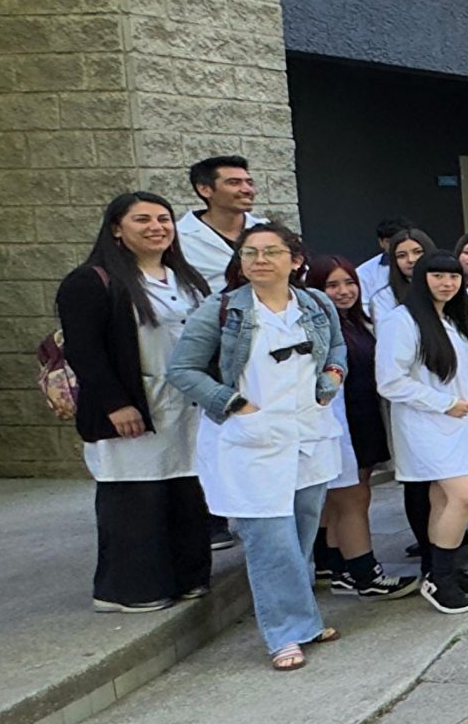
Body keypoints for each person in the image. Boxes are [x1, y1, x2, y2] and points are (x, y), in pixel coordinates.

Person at [164, 222, 346, 671]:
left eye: (271, 252)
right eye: (249, 253)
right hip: (250, 441)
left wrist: (333, 377)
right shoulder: (222, 311)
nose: (259, 260)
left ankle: (303, 620)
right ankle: (283, 633)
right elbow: (183, 370)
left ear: (295, 260)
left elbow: (337, 348)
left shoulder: (316, 303)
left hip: (308, 435)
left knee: (301, 537)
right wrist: (233, 403)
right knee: (271, 543)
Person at [60, 192, 217, 613]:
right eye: (142, 219)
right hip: (133, 407)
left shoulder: (186, 279)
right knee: (136, 499)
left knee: (183, 491)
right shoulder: (90, 282)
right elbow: (85, 351)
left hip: (186, 407)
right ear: (116, 228)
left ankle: (187, 578)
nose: (156, 227)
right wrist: (116, 404)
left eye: (164, 219)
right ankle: (129, 590)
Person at [376, 251, 468, 612]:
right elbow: (390, 381)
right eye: (438, 276)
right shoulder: (402, 321)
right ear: (421, 279)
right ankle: (438, 577)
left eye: (453, 277)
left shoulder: (456, 321)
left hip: (460, 423)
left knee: (443, 500)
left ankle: (441, 568)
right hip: (424, 425)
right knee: (465, 495)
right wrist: (443, 403)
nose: (447, 283)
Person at [303, 254, 408, 598]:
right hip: (339, 423)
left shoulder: (357, 322)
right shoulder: (318, 327)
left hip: (363, 419)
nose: (343, 291)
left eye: (349, 283)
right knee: (352, 498)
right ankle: (366, 573)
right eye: (332, 285)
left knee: (348, 498)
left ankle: (339, 567)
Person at [175, 155, 267, 286]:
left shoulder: (269, 231)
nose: (247, 190)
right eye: (234, 182)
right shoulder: (178, 238)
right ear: (205, 190)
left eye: (249, 183)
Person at [354, 217, 411, 315]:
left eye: (401, 241)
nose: (396, 245)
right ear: (381, 242)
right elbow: (364, 308)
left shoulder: (428, 265)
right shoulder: (363, 272)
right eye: (390, 241)